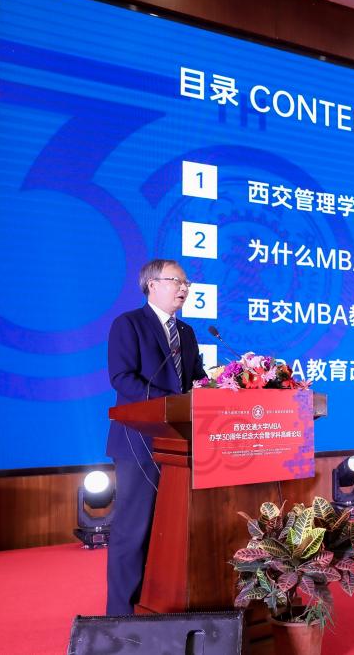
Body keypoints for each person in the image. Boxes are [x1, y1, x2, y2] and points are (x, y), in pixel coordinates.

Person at [105, 258, 206, 615]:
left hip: (179, 444)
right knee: (133, 529)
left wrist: (220, 386)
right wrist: (168, 403)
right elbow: (122, 378)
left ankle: (159, 604)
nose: (184, 288)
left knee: (172, 529)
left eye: (186, 283)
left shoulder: (186, 333)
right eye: (177, 281)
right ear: (152, 284)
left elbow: (195, 380)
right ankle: (120, 615)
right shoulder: (129, 324)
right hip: (139, 441)